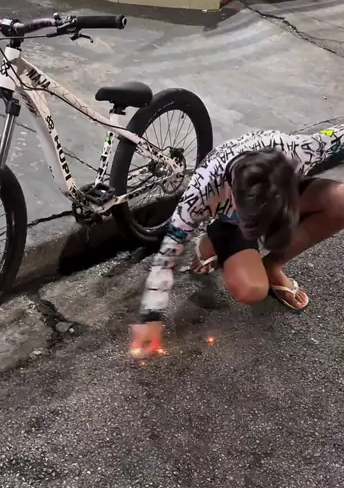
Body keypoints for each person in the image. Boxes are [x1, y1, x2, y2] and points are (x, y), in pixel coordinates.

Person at [130, 127, 344, 357]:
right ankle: (214, 238)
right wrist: (150, 317)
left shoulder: (296, 149)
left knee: (341, 201)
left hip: (281, 197)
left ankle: (272, 266)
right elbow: (167, 255)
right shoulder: (202, 190)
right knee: (251, 289)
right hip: (233, 219)